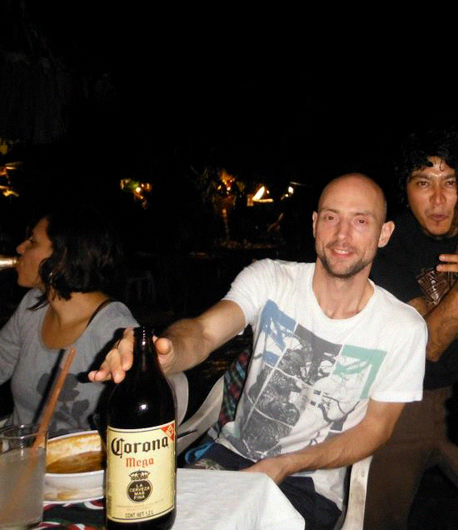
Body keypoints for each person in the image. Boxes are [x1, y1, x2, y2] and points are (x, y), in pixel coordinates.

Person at [91, 173, 427, 530]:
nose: (342, 234)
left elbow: (375, 429)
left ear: (384, 233)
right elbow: (203, 332)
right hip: (227, 458)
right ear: (315, 224)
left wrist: (287, 464)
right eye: (331, 217)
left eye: (360, 221)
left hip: (307, 481)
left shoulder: (402, 327)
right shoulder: (270, 279)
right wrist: (166, 353)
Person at [365, 128, 458, 529]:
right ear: (405, 189)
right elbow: (428, 346)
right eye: (424, 183)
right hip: (403, 398)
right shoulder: (389, 244)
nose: (438, 199)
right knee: (375, 517)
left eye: (450, 182)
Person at [0, 206, 137, 436]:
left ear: (62, 258)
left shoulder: (114, 328)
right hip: (20, 455)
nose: (20, 248)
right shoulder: (33, 306)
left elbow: (138, 416)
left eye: (32, 242)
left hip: (80, 464)